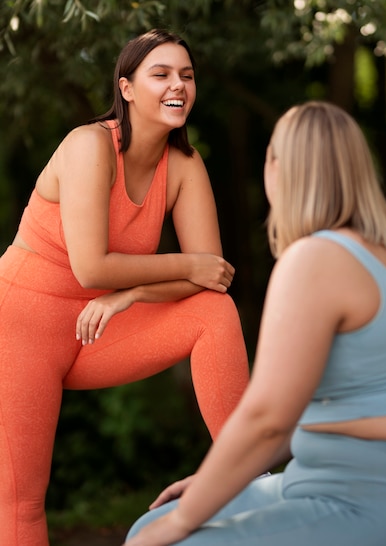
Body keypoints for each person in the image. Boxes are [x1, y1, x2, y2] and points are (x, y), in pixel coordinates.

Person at [124, 100, 386, 546]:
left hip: (362, 498)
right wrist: (210, 484)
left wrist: (182, 523)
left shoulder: (315, 260)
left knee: (167, 538)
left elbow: (267, 418)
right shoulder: (384, 262)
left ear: (280, 169)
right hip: (323, 481)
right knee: (149, 523)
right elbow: (303, 413)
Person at [0, 29, 249, 546]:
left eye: (186, 74)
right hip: (22, 322)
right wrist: (182, 265)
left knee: (213, 311)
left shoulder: (184, 165)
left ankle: (247, 473)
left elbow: (209, 279)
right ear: (127, 88)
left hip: (97, 326)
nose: (177, 84)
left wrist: (131, 294)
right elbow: (93, 268)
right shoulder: (89, 144)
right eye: (160, 74)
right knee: (20, 500)